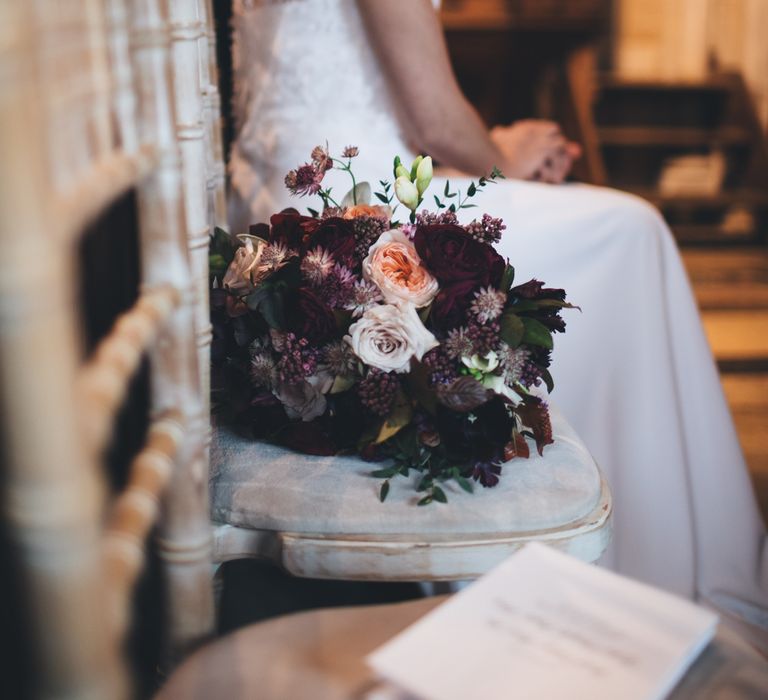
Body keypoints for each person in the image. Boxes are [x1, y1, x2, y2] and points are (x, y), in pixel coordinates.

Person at [226, 0, 767, 641]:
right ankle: (646, 570)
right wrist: (501, 154)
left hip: (293, 190)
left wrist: (490, 152)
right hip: (355, 194)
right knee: (631, 230)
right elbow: (435, 117)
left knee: (610, 226)